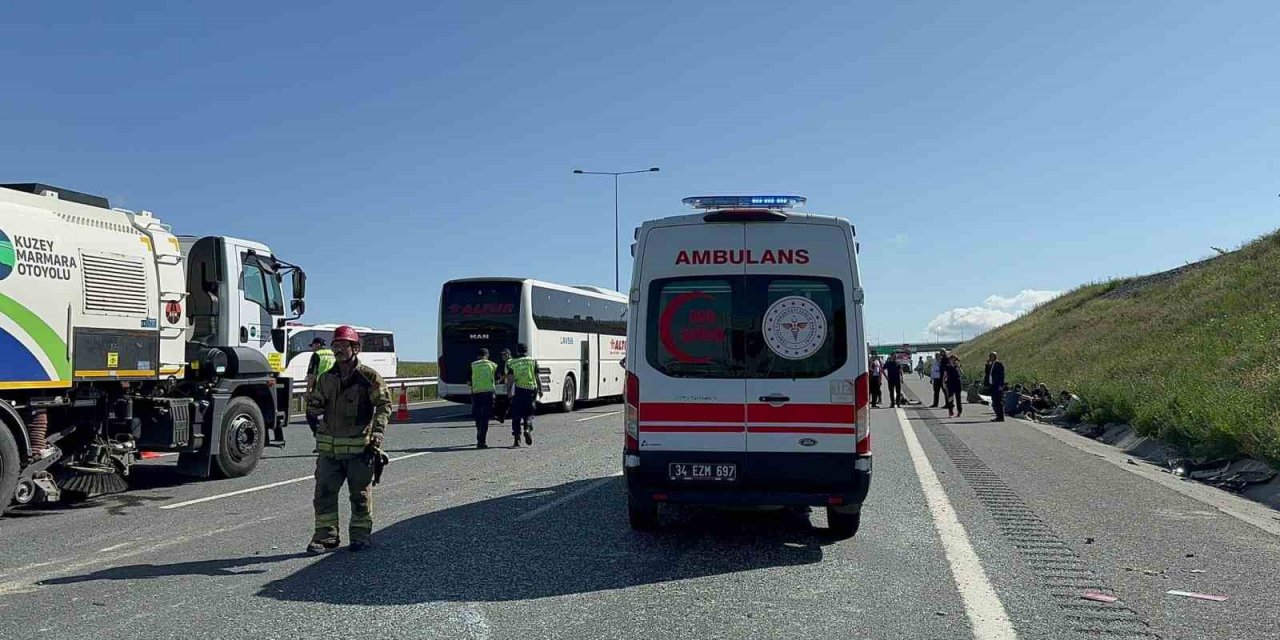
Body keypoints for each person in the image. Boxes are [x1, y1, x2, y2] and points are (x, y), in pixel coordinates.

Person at [305, 325, 392, 554]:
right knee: (323, 494)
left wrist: (377, 433)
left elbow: (384, 406)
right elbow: (315, 406)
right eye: (336, 345)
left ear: (356, 348)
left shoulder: (369, 377)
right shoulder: (326, 379)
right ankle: (326, 537)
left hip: (359, 450)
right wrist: (313, 409)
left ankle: (360, 536)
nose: (339, 350)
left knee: (360, 496)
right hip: (329, 452)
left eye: (344, 345)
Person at [505, 343, 542, 447]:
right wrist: (540, 389)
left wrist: (508, 392)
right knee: (529, 412)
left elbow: (510, 380)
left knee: (516, 414)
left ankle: (517, 440)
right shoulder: (533, 361)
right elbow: (537, 377)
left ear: (517, 351)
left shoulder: (512, 363)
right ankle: (527, 428)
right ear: (527, 351)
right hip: (531, 390)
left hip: (519, 390)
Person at [304, 337, 336, 452]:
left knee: (311, 414)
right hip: (335, 388)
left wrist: (308, 391)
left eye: (312, 346)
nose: (312, 348)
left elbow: (312, 374)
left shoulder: (317, 355)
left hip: (320, 389)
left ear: (317, 345)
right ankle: (332, 443)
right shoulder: (332, 354)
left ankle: (321, 441)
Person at [467, 348, 498, 449]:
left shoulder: (472, 365)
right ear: (487, 355)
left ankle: (479, 436)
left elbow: (468, 382)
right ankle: (481, 440)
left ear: (478, 355)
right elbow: (497, 379)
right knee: (485, 418)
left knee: (478, 417)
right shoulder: (493, 365)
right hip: (489, 393)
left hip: (476, 393)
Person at [984, 352, 1006, 422]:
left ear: (995, 357)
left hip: (997, 385)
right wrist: (987, 365)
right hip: (992, 385)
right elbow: (987, 373)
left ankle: (1000, 417)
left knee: (998, 402)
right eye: (990, 356)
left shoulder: (999, 364)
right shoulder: (990, 364)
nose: (991, 357)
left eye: (992, 356)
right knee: (994, 401)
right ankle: (997, 416)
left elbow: (1002, 376)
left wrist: (1001, 385)